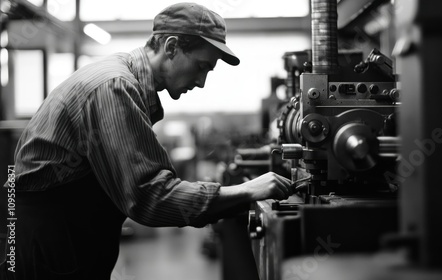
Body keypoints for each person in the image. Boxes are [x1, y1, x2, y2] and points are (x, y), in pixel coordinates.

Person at [0, 2, 292, 279]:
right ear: (171, 47)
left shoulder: (124, 80)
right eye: (201, 66)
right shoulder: (115, 87)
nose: (202, 82)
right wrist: (245, 191)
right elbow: (150, 197)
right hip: (50, 241)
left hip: (63, 232)